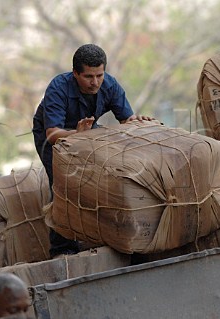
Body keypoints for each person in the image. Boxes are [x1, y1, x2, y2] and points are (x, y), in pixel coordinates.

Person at [32, 43, 153, 258]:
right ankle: (62, 249)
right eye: (88, 76)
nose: (95, 82)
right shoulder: (58, 88)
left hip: (87, 130)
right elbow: (52, 134)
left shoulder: (110, 85)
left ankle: (101, 236)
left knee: (102, 178)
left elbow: (127, 120)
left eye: (99, 75)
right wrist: (76, 135)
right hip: (54, 135)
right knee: (63, 184)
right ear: (75, 73)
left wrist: (139, 121)